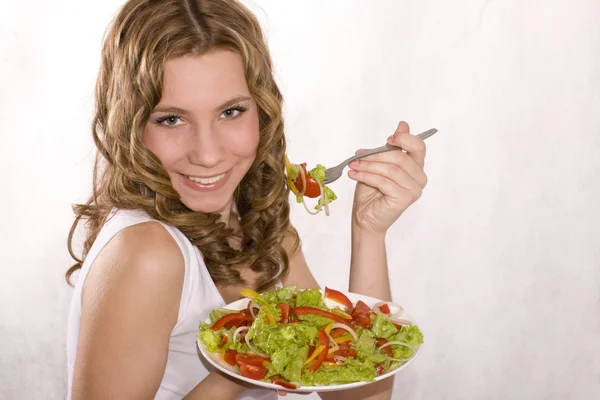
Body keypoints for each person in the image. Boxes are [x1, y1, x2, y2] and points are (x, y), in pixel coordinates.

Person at [65, 0, 428, 399]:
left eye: (231, 112)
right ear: (130, 124)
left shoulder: (259, 228)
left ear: (263, 109)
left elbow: (356, 396)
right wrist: (246, 360)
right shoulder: (147, 252)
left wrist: (369, 231)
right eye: (171, 119)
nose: (207, 154)